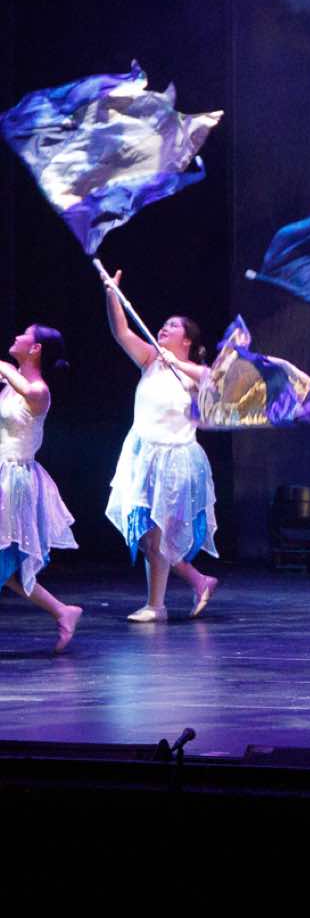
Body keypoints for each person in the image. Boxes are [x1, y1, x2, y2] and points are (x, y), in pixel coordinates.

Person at [101, 269, 220, 622]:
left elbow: (214, 382)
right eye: (164, 324)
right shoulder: (151, 360)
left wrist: (180, 364)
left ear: (188, 339)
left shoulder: (193, 372)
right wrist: (112, 294)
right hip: (144, 455)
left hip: (177, 459)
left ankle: (157, 606)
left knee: (157, 536)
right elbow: (121, 332)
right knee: (147, 536)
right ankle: (198, 580)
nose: (164, 328)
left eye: (173, 326)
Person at [1, 323, 82, 650]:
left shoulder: (39, 391)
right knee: (7, 565)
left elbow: (28, 391)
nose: (16, 337)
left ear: (35, 349)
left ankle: (63, 611)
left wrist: (4, 367)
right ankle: (63, 611)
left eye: (24, 334)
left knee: (7, 561)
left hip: (14, 481)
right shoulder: (11, 383)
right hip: (3, 474)